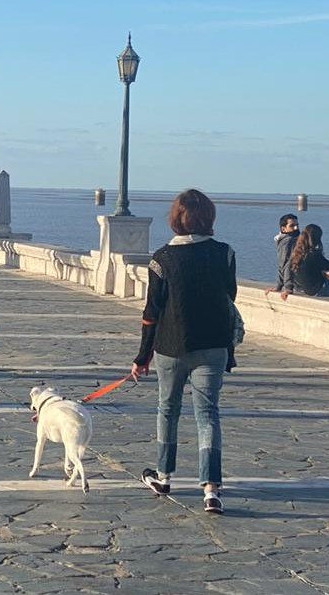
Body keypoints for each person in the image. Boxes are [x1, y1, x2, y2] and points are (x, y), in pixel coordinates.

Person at [132, 189, 236, 515]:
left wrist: (142, 356)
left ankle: (163, 476)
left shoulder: (162, 259)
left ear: (176, 218)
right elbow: (229, 295)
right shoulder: (225, 253)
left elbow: (152, 312)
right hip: (213, 345)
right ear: (209, 217)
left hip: (170, 346)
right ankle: (211, 490)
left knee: (168, 409)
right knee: (208, 415)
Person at [266, 213, 299, 300]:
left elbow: (283, 264)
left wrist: (279, 286)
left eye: (297, 225)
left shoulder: (287, 240)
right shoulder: (288, 241)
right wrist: (288, 288)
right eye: (292, 226)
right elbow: (286, 264)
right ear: (283, 228)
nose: (296, 228)